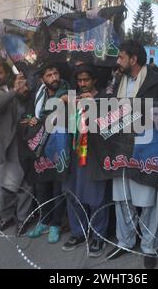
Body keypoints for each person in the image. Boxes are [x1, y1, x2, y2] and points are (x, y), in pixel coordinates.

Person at [105, 39, 158, 269]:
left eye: (121, 57)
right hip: (120, 146)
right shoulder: (118, 80)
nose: (117, 60)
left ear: (134, 59)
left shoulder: (156, 82)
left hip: (145, 147)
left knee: (148, 199)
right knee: (122, 197)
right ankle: (125, 241)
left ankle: (150, 247)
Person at [61, 64, 111, 257]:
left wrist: (96, 104)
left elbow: (111, 125)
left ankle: (98, 235)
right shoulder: (72, 99)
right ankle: (78, 232)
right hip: (74, 153)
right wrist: (63, 101)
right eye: (79, 80)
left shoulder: (105, 99)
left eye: (86, 80)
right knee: (73, 193)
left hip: (94, 155)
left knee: (96, 196)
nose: (82, 84)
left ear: (94, 80)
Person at [0, 60, 34, 236]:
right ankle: (6, 218)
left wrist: (22, 88)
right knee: (3, 186)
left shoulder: (25, 85)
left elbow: (28, 103)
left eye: (0, 73)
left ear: (7, 73)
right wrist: (14, 91)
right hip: (4, 144)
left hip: (24, 143)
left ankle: (23, 219)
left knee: (24, 186)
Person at [26, 63, 70, 243]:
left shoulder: (69, 92)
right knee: (42, 185)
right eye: (49, 75)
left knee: (58, 186)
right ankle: (44, 221)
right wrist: (31, 120)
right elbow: (34, 115)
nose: (54, 77)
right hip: (41, 144)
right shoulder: (39, 95)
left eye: (56, 72)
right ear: (43, 79)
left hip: (61, 144)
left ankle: (56, 224)